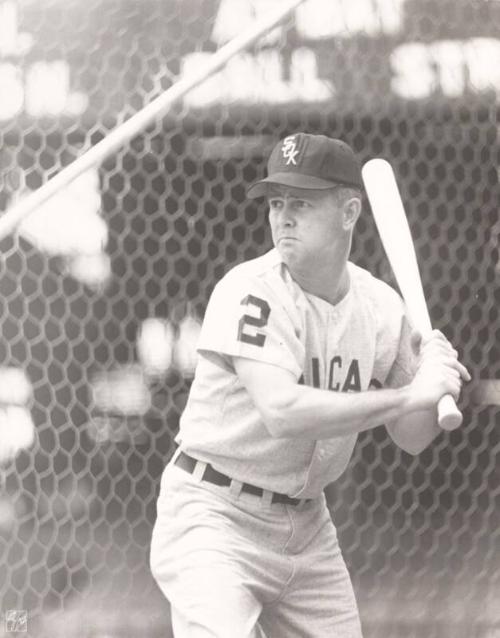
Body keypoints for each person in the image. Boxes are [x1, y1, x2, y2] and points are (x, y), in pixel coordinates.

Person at [150, 133, 470, 638]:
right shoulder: (249, 291)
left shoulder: (382, 307)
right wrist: (410, 393)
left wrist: (435, 381)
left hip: (308, 528)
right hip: (215, 515)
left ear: (348, 213)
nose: (283, 217)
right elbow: (283, 412)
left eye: (301, 202)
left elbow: (411, 437)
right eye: (277, 203)